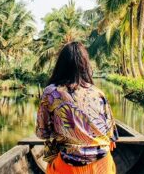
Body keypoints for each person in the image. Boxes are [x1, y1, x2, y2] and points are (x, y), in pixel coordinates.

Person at [36, 41, 118, 174]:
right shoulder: (98, 93)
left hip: (69, 166)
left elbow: (42, 133)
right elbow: (111, 134)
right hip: (103, 165)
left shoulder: (51, 92)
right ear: (85, 65)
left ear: (60, 65)